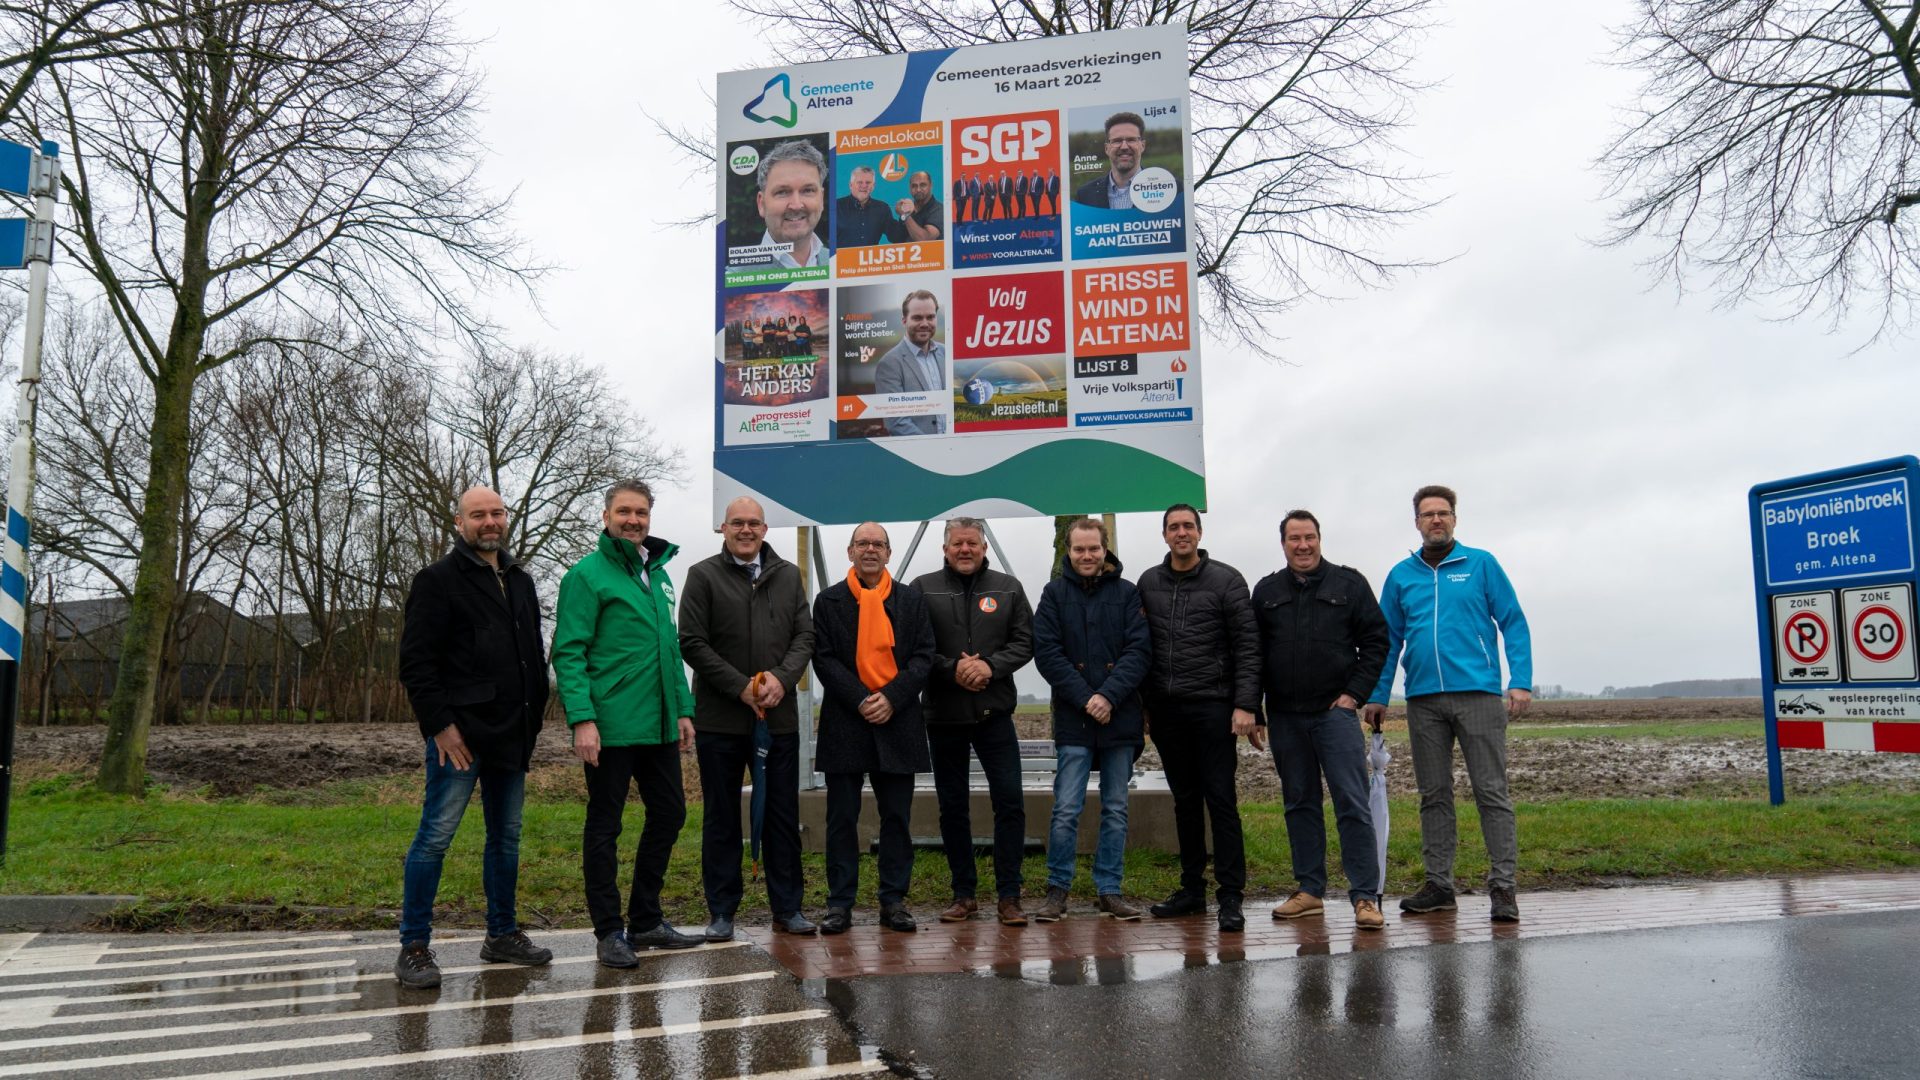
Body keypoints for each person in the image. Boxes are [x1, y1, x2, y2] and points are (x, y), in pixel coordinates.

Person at [393, 486, 554, 989]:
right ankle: (413, 946)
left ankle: (501, 934)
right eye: (478, 514)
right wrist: (440, 726)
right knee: (435, 838)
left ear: (507, 519)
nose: (490, 521)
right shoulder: (437, 581)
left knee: (506, 839)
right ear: (459, 523)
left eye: (497, 513)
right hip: (460, 738)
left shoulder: (521, 580)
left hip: (512, 734)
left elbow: (531, 655)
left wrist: (535, 718)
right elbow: (416, 663)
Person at [1363, 485, 1532, 923]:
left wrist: (1521, 681)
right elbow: (1387, 641)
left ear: (1454, 519)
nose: (1435, 520)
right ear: (1416, 523)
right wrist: (1379, 694)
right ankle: (1439, 884)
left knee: (1491, 792)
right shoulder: (1401, 575)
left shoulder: (1481, 564)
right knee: (1433, 795)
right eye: (1427, 515)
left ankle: (1503, 888)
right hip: (1423, 701)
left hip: (1478, 695)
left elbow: (1513, 621)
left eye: (1443, 513)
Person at [552, 480, 703, 967]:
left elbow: (670, 650)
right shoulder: (586, 576)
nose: (632, 520)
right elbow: (569, 653)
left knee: (671, 814)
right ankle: (608, 931)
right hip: (610, 728)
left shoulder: (658, 575)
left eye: (640, 512)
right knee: (605, 827)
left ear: (649, 519)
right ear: (606, 516)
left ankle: (646, 919)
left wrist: (682, 709)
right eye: (624, 512)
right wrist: (582, 719)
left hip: (658, 726)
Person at [679, 497, 817, 940]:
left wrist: (781, 678)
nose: (745, 529)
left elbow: (804, 636)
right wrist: (740, 686)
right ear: (723, 528)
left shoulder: (788, 576)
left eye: (753, 523)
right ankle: (721, 911)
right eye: (737, 523)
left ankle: (788, 908)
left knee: (781, 815)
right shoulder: (702, 576)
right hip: (720, 720)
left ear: (764, 529)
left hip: (776, 721)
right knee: (721, 818)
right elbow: (692, 642)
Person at [1253, 510, 1390, 931]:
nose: (1303, 545)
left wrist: (1355, 695)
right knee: (1299, 804)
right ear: (1283, 543)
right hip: (1286, 717)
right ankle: (1310, 890)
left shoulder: (1349, 585)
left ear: (1319, 539)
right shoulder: (1266, 591)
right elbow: (1252, 654)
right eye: (1294, 538)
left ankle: (1366, 896)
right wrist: (1254, 708)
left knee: (1352, 802)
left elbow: (1376, 641)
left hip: (1335, 716)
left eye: (1309, 537)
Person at [1137, 503, 1262, 932]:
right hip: (1167, 711)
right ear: (1165, 535)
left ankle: (1231, 896)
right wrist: (1145, 707)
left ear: (1200, 532)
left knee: (1221, 802)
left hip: (1213, 707)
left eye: (1188, 526)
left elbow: (1248, 646)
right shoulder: (1148, 582)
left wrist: (1247, 705)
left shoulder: (1227, 580)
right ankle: (1192, 890)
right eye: (1174, 527)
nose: (1182, 533)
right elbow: (1141, 649)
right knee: (1185, 803)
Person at [811, 523, 935, 934]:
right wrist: (862, 698)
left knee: (896, 818)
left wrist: (892, 698)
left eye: (877, 544)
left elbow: (923, 656)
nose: (869, 550)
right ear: (850, 551)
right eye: (862, 543)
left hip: (897, 721)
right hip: (847, 720)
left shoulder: (911, 600)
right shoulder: (828, 601)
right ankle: (840, 904)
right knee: (842, 818)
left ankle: (894, 901)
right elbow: (824, 658)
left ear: (888, 553)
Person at [912, 517, 1035, 927]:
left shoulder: (1009, 587)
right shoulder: (922, 588)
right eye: (957, 543)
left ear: (984, 547)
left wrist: (990, 666)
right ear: (945, 548)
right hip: (944, 717)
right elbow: (914, 647)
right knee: (953, 807)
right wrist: (952, 670)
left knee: (1010, 804)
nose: (965, 550)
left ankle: (1009, 896)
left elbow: (1025, 641)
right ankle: (963, 894)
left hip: (993, 713)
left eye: (973, 543)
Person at [1031, 517, 1152, 922]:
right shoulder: (1053, 594)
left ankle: (1109, 889)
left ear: (1105, 550)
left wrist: (1108, 696)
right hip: (1075, 718)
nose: (1087, 556)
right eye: (1079, 549)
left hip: (1120, 718)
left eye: (1094, 549)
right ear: (1069, 551)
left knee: (1116, 807)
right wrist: (1087, 698)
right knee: (1066, 807)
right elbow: (1047, 654)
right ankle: (1057, 890)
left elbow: (1139, 651)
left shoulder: (1128, 593)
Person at [872, 289, 947, 436]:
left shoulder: (947, 353)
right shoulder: (889, 364)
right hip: (919, 455)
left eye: (930, 317)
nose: (925, 324)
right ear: (904, 320)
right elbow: (896, 422)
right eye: (917, 318)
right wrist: (934, 448)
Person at [1072, 111, 1179, 210]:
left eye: (1131, 140)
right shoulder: (1085, 195)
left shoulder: (1170, 188)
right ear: (1106, 148)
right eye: (1117, 141)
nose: (1124, 146)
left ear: (1142, 145)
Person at [754, 139, 829, 268]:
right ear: (762, 204)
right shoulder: (735, 278)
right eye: (782, 192)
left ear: (821, 199)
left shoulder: (840, 266)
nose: (796, 205)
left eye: (807, 190)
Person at [835, 164, 902, 249]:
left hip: (870, 261)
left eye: (868, 182)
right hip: (842, 261)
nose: (864, 186)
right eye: (859, 182)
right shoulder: (836, 207)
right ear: (850, 185)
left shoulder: (882, 208)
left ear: (873, 186)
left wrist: (903, 216)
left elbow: (896, 237)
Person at [896, 170, 944, 242]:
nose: (918, 189)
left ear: (931, 186)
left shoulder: (939, 210)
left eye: (923, 185)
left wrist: (905, 215)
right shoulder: (908, 209)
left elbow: (924, 239)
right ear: (910, 188)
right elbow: (899, 239)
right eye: (914, 186)